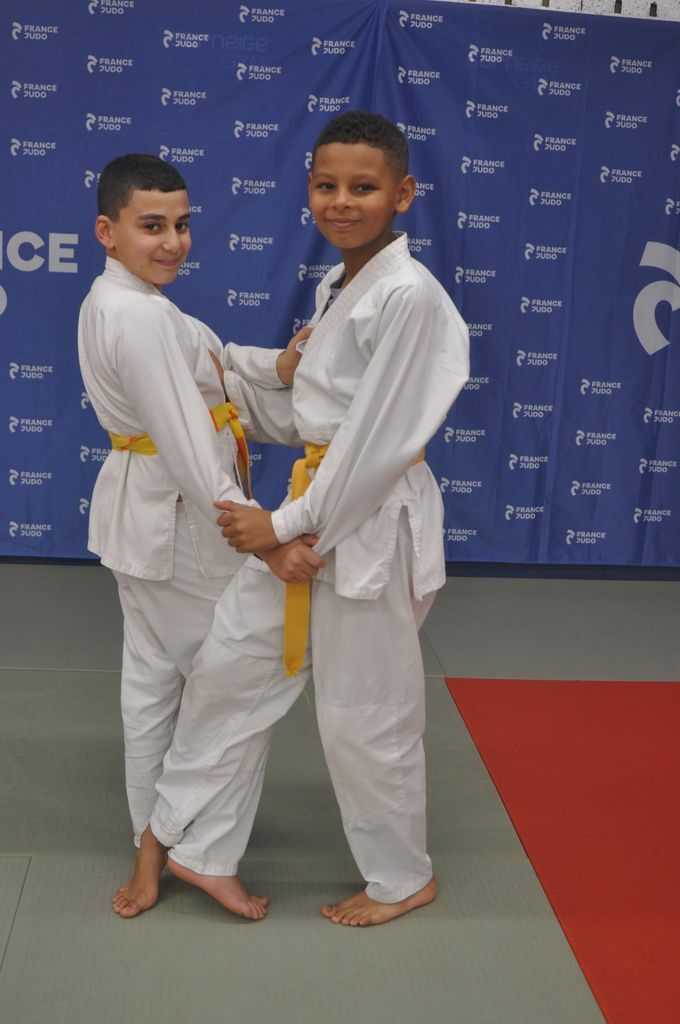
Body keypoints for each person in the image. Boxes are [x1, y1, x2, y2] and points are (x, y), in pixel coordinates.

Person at [116, 112, 470, 925]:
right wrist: (220, 399)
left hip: (370, 520)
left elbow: (374, 446)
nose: (341, 201)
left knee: (363, 714)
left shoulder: (410, 298)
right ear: (308, 188)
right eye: (326, 185)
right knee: (227, 670)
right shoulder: (341, 287)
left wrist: (282, 527)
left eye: (364, 187)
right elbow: (316, 416)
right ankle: (181, 841)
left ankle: (401, 877)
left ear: (403, 194)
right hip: (321, 505)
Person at [78, 154, 321, 915]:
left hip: (145, 520)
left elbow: (213, 361)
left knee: (155, 686)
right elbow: (188, 443)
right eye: (152, 226)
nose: (173, 242)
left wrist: (279, 364)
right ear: (108, 231)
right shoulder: (139, 314)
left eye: (182, 225)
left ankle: (150, 845)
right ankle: (197, 852)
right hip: (186, 523)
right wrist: (264, 538)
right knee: (237, 684)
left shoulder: (126, 301)